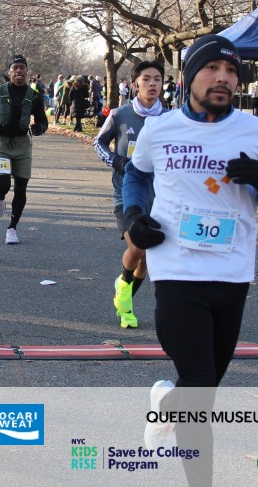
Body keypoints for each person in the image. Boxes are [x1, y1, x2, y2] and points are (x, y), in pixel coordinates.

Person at [122, 34, 258, 485]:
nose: (223, 78)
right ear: (189, 76)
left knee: (204, 388)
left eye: (232, 71)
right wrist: (133, 216)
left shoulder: (256, 131)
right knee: (199, 389)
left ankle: (166, 405)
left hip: (232, 272)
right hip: (175, 269)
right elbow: (136, 176)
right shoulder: (161, 129)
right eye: (212, 68)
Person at [94, 60, 165, 329]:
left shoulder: (170, 118)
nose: (152, 84)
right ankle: (123, 285)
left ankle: (125, 303)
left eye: (157, 79)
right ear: (135, 84)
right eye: (146, 79)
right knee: (137, 247)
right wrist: (116, 160)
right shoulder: (120, 114)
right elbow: (99, 142)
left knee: (148, 258)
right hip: (125, 193)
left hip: (158, 197)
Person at [0, 55, 48, 245]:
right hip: (1, 144)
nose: (19, 71)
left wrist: (39, 128)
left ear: (27, 71)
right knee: (3, 185)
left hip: (22, 146)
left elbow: (43, 120)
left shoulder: (34, 96)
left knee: (20, 188)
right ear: (9, 71)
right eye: (15, 67)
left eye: (22, 67)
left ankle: (12, 229)